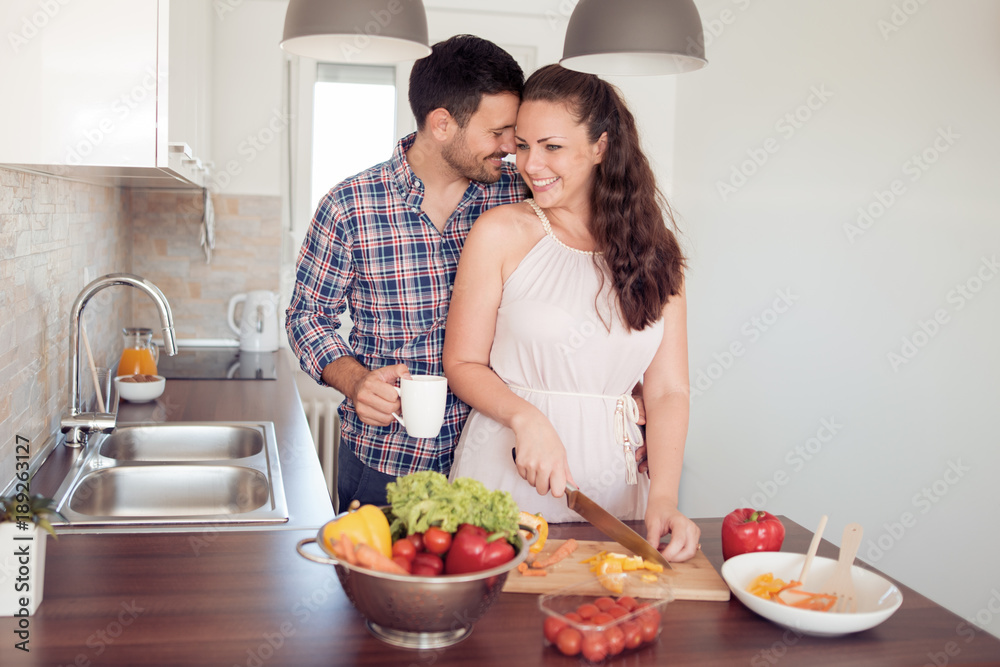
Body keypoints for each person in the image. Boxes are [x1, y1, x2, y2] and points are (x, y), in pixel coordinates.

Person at [443, 64, 700, 561]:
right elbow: (463, 363)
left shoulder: (657, 250)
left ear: (601, 147)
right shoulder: (500, 231)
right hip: (505, 472)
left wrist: (665, 495)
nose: (530, 163)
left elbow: (669, 389)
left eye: (551, 146)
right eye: (522, 145)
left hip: (615, 491)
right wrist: (527, 419)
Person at [285, 35, 525, 511]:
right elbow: (306, 317)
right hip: (384, 461)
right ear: (442, 123)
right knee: (372, 584)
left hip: (493, 459)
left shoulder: (520, 196)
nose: (510, 146)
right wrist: (356, 382)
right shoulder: (349, 205)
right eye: (498, 131)